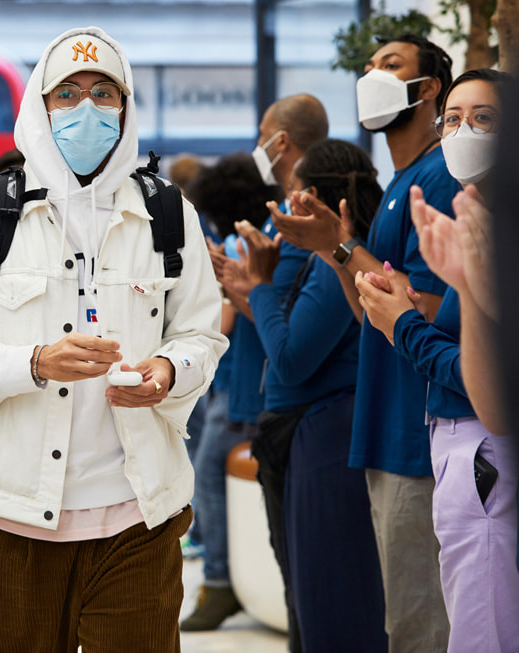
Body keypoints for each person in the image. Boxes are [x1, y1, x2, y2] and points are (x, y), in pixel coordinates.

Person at [0, 26, 226, 651]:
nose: (87, 109)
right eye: (68, 93)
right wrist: (33, 362)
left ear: (127, 107)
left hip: (140, 513)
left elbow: (200, 334)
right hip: (13, 514)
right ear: (39, 105)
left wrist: (168, 369)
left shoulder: (168, 215)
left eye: (105, 93)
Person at [271, 33, 457, 651]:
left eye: (391, 65)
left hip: (417, 431)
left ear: (428, 89)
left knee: (420, 624)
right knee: (399, 619)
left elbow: (424, 308)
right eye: (371, 64)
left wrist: (343, 247)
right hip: (385, 428)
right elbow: (369, 311)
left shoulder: (440, 176)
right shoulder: (402, 182)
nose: (373, 74)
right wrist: (332, 246)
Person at [357, 69, 518, 652]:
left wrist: (403, 325)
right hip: (464, 445)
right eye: (452, 118)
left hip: (480, 447)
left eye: (484, 118)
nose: (463, 130)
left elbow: (486, 378)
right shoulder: (476, 216)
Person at [231, 139, 387, 650]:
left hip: (327, 434)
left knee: (330, 597)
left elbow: (293, 358)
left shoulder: (333, 260)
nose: (283, 204)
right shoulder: (322, 257)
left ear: (314, 198)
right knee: (311, 593)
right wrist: (255, 285)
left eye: (293, 191)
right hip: (314, 430)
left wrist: (259, 285)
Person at [200, 93, 326, 647]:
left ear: (280, 140)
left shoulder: (305, 218)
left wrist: (245, 285)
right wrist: (247, 282)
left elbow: (286, 334)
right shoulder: (287, 215)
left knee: (303, 563)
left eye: (261, 132)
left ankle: (222, 581)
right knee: (293, 558)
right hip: (277, 399)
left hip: (284, 400)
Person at [179, 153, 277, 632]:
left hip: (241, 390)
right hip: (244, 383)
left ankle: (218, 582)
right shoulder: (258, 237)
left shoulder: (240, 244)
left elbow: (225, 320)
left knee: (206, 479)